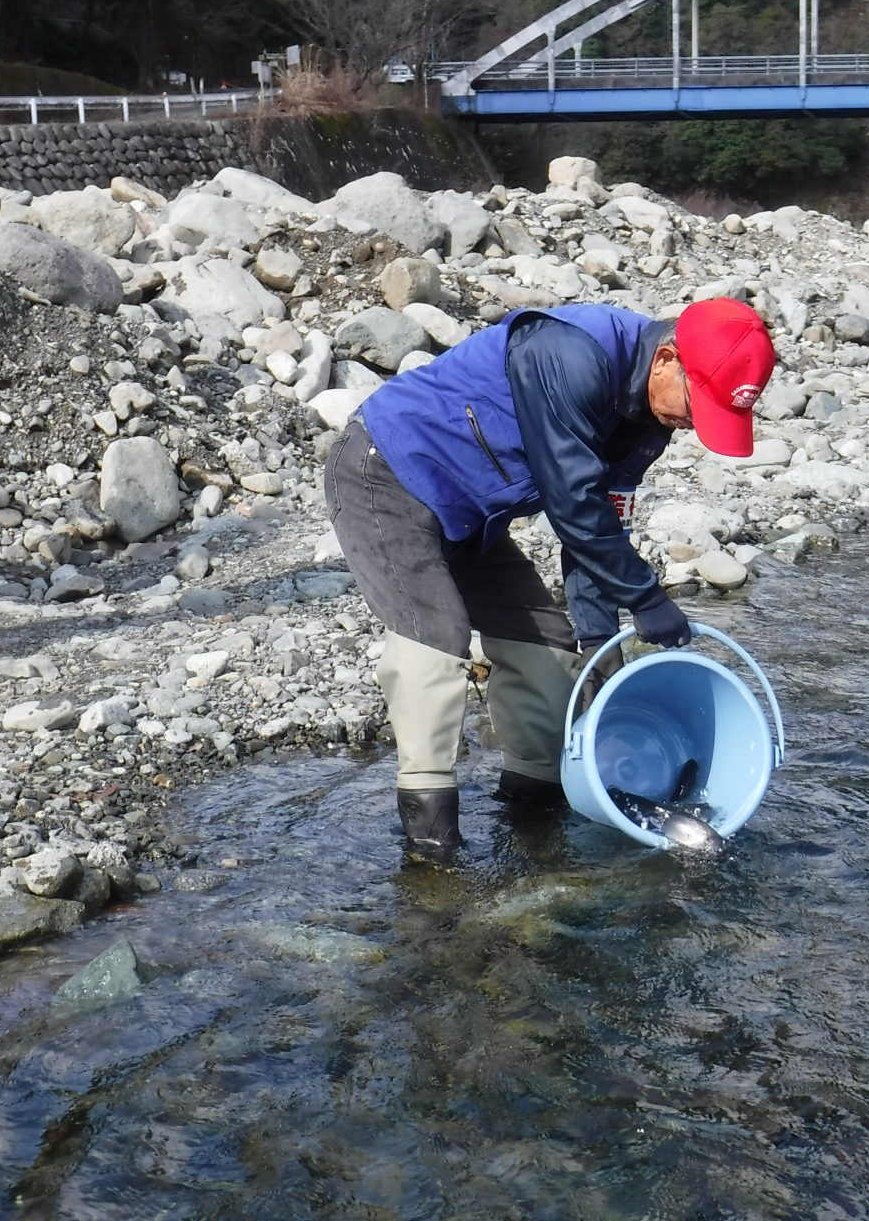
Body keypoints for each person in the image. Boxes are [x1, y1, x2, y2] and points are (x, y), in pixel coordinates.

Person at [323, 296, 777, 860]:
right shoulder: (567, 352)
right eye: (697, 404)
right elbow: (572, 503)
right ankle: (430, 848)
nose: (691, 423)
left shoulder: (647, 423)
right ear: (665, 360)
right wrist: (647, 597)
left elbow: (600, 526)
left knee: (547, 647)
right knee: (436, 637)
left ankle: (534, 816)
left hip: (470, 517)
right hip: (386, 473)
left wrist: (598, 646)